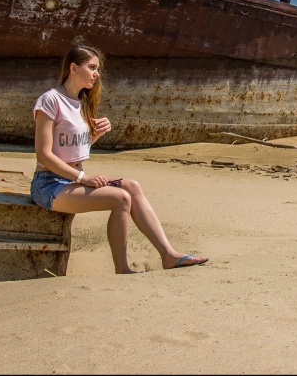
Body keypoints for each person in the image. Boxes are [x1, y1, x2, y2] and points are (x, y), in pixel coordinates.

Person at [29, 44, 208, 274]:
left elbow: (73, 150)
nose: (97, 74)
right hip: (48, 184)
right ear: (73, 68)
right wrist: (83, 178)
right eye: (92, 67)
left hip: (71, 181)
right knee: (120, 198)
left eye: (98, 69)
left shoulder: (82, 103)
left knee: (132, 187)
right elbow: (44, 154)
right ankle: (122, 269)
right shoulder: (50, 100)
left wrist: (95, 135)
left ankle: (168, 255)